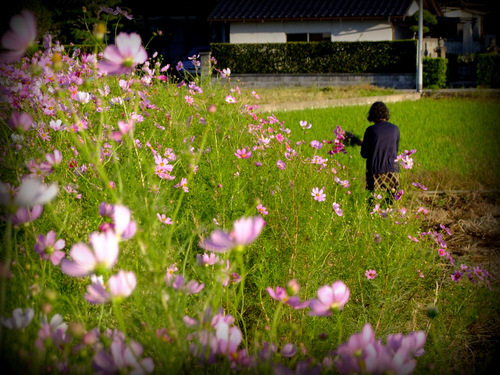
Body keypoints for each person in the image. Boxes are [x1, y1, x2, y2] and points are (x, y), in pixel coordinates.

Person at [359, 102, 400, 195]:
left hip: (375, 172)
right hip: (393, 170)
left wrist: (363, 144)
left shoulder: (371, 130)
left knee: (374, 204)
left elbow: (364, 154)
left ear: (372, 115)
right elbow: (395, 151)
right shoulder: (395, 129)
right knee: (391, 202)